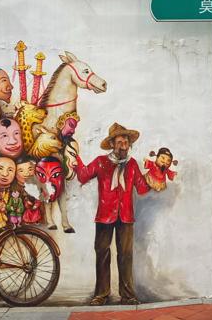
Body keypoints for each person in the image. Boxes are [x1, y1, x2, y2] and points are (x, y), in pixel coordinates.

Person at [73, 122, 150, 306]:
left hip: (126, 216)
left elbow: (141, 188)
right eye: (120, 142)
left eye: (126, 142)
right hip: (104, 216)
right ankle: (101, 294)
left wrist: (155, 175)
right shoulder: (101, 161)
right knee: (102, 254)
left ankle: (128, 295)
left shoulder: (132, 164)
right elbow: (83, 176)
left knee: (126, 255)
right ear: (112, 144)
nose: (124, 145)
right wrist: (75, 159)